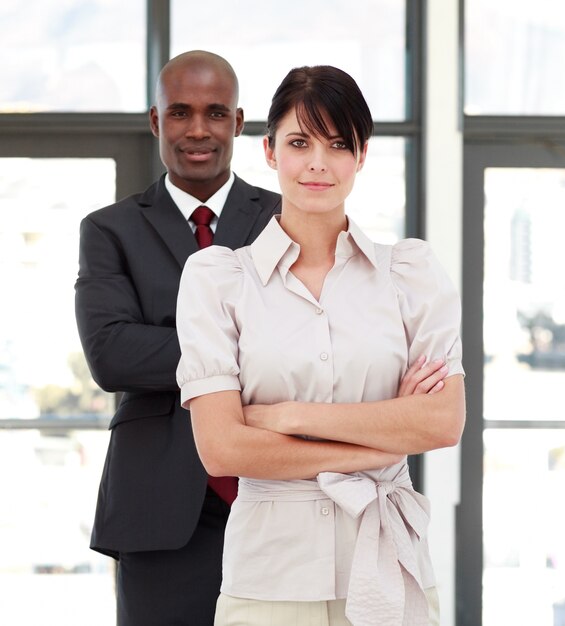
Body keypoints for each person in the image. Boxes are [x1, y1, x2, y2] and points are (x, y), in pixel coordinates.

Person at [176, 65, 465, 626]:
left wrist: (287, 416)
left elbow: (441, 423)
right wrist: (382, 441)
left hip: (389, 567)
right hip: (269, 576)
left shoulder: (409, 274)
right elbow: (222, 448)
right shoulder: (218, 280)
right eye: (299, 142)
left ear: (361, 155)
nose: (317, 163)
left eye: (338, 144)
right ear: (268, 150)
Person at [74, 50, 281, 626]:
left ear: (238, 123)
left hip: (276, 492)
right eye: (180, 112)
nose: (197, 130)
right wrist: (244, 348)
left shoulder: (285, 222)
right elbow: (113, 355)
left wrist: (168, 340)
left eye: (215, 113)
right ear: (155, 120)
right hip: (157, 504)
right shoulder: (110, 229)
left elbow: (311, 348)